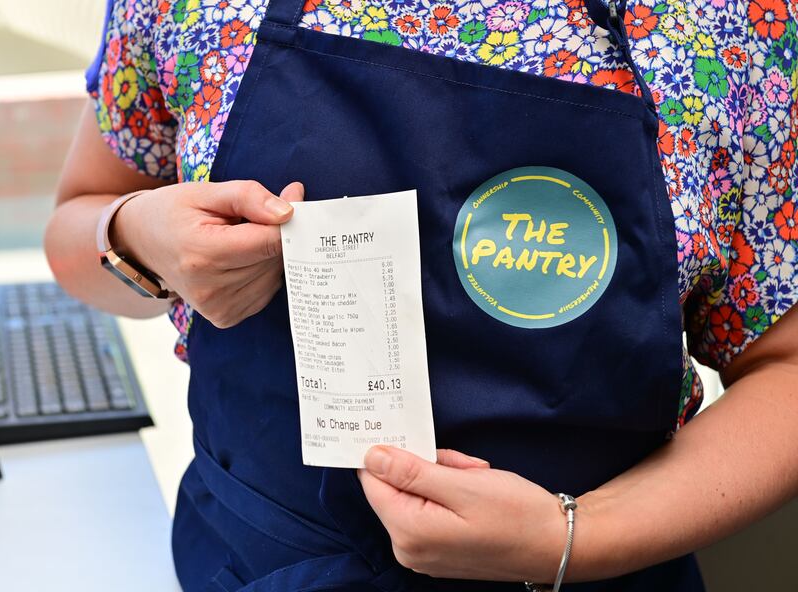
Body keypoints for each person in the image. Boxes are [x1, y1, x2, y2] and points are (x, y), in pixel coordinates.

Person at [47, 0, 798, 589]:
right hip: (253, 568)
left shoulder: (724, 24)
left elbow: (786, 369)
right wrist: (138, 233)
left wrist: (578, 535)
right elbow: (79, 220)